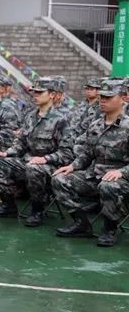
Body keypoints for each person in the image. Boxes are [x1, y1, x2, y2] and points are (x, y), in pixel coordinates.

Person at [0, 77, 71, 224]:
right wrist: (7, 153)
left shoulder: (62, 119)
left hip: (50, 166)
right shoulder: (31, 116)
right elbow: (21, 143)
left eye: (39, 93)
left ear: (52, 94)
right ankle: (8, 205)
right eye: (34, 93)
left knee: (33, 168)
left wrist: (46, 159)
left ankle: (37, 211)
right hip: (28, 161)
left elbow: (67, 152)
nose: (35, 96)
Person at [52, 79, 129, 247]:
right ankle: (81, 224)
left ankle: (109, 229)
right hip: (95, 174)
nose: (103, 100)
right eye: (102, 97)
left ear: (123, 98)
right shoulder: (95, 125)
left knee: (108, 186)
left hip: (121, 178)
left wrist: (122, 172)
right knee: (60, 179)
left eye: (108, 97)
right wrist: (73, 166)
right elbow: (87, 154)